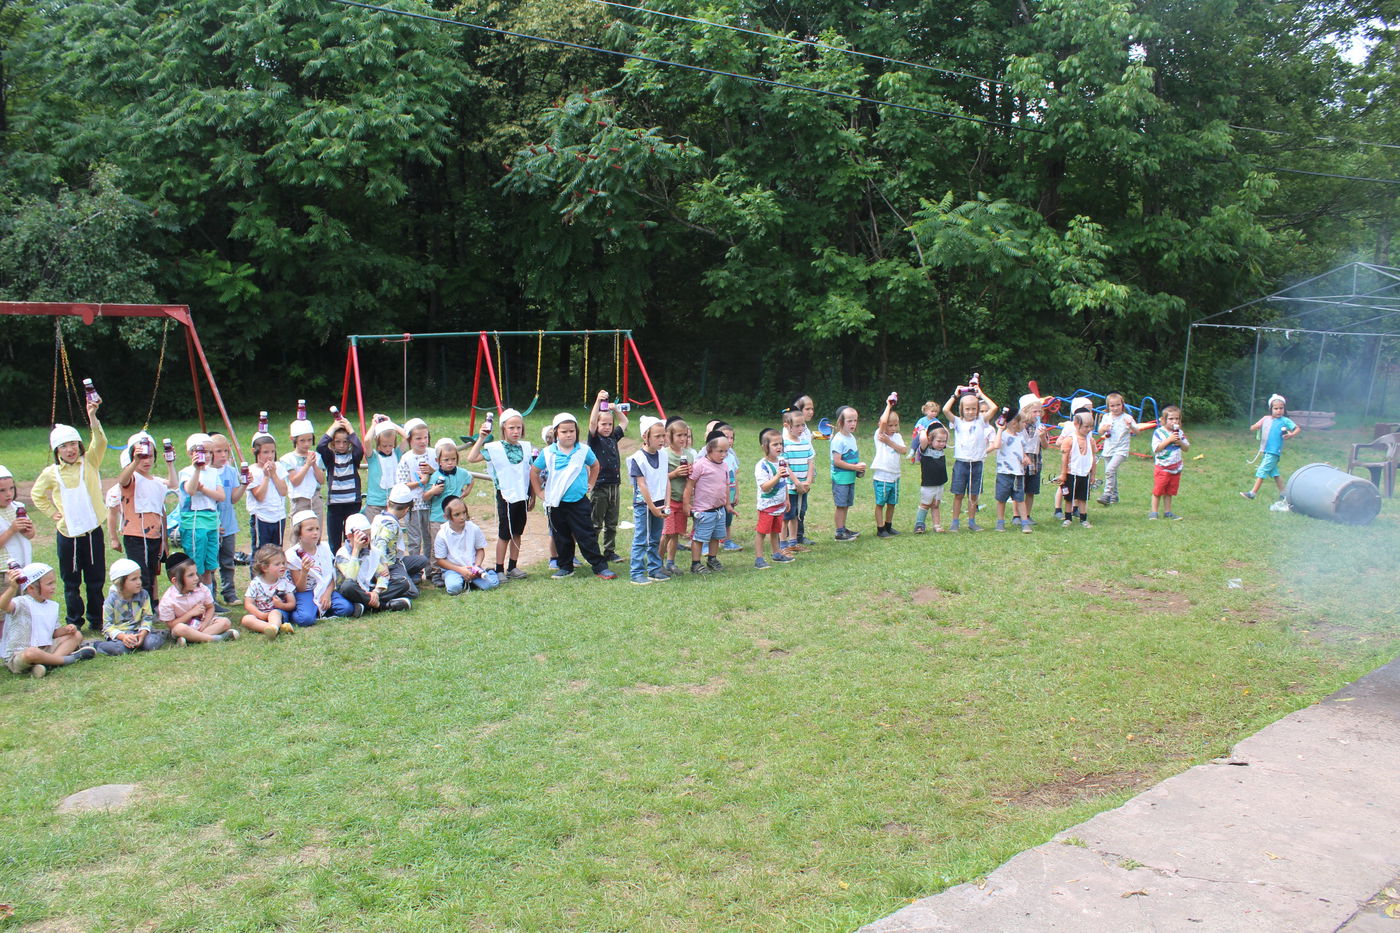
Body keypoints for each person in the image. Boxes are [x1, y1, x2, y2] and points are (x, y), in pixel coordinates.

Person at [32, 398, 107, 633]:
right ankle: (74, 620)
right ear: (57, 451)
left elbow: (101, 440)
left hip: (92, 530)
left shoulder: (91, 462)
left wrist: (93, 416)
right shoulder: (51, 473)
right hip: (68, 534)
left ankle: (97, 619)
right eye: (64, 446)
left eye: (74, 444)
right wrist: (53, 513)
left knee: (95, 581)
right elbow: (37, 494)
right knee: (71, 582)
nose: (70, 449)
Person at [530, 413, 617, 581]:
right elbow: (534, 471)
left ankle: (600, 566)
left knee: (586, 535)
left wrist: (591, 483)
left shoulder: (584, 450)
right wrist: (539, 492)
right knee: (561, 537)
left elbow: (595, 465)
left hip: (579, 503)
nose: (568, 434)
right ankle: (565, 566)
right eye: (564, 432)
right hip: (556, 503)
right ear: (556, 433)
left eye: (572, 431)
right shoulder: (548, 452)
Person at [466, 408, 534, 580]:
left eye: (519, 427)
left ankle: (513, 566)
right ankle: (499, 569)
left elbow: (530, 472)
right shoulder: (494, 448)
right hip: (506, 495)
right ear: (503, 428)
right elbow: (471, 458)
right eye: (511, 428)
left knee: (517, 532)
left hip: (522, 495)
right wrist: (481, 438)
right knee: (505, 534)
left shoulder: (526, 448)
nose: (515, 431)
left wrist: (532, 494)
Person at [1, 563, 97, 677]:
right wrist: (12, 587)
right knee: (31, 653)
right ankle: (68, 659)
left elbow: (53, 633)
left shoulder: (52, 606)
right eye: (49, 584)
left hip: (45, 649)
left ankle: (47, 664)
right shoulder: (21, 603)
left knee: (77, 635)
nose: (53, 587)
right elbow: (3, 605)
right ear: (31, 588)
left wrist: (66, 630)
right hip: (20, 655)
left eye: (54, 583)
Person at [286, 509, 357, 624]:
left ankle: (319, 610)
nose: (315, 533)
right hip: (307, 592)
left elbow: (331, 576)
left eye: (317, 529)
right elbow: (300, 589)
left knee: (346, 608)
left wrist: (327, 594)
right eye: (310, 530)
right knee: (306, 619)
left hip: (325, 589)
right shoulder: (293, 555)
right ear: (298, 533)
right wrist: (304, 572)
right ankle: (295, 614)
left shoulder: (324, 547)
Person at [944, 384, 998, 531]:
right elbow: (945, 410)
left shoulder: (981, 421)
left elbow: (994, 408)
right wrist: (955, 396)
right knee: (958, 494)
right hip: (961, 463)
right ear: (962, 409)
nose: (970, 412)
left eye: (974, 408)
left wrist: (981, 394)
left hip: (977, 464)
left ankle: (972, 522)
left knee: (973, 495)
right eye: (967, 409)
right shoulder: (957, 422)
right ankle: (955, 522)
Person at [334, 512, 410, 613]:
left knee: (403, 583)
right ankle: (382, 606)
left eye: (369, 535)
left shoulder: (373, 551)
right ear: (350, 536)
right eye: (364, 537)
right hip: (353, 590)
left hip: (369, 588)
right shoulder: (342, 554)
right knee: (348, 587)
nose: (368, 540)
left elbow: (383, 574)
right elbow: (350, 578)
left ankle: (364, 604)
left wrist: (376, 591)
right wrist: (356, 551)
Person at [626, 416, 671, 585]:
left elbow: (666, 479)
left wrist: (666, 502)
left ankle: (654, 569)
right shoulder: (637, 458)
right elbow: (642, 485)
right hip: (644, 505)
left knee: (655, 537)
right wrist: (652, 507)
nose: (662, 440)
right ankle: (637, 572)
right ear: (645, 436)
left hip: (660, 503)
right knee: (641, 539)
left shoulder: (663, 456)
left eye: (663, 435)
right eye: (657, 436)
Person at [178, 433, 225, 590]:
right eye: (203, 451)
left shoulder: (213, 472)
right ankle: (194, 597)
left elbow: (221, 496)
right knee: (196, 564)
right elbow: (190, 490)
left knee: (210, 564)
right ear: (192, 453)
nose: (207, 456)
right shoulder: (187, 472)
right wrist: (197, 470)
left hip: (211, 520)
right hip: (194, 521)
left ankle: (209, 598)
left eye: (209, 452)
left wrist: (203, 489)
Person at [683, 431, 735, 574]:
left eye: (726, 451)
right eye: (720, 451)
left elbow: (725, 485)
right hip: (704, 511)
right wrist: (686, 504)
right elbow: (689, 485)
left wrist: (728, 504)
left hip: (719, 510)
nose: (723, 454)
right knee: (699, 537)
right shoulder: (700, 465)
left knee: (716, 537)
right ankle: (695, 563)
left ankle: (712, 559)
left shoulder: (724, 465)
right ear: (709, 449)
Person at [92, 557, 168, 654]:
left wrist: (143, 633)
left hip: (139, 631)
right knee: (122, 649)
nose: (139, 582)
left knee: (151, 643)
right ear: (120, 582)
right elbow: (107, 626)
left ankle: (150, 638)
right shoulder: (111, 601)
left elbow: (147, 617)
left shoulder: (143, 595)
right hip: (120, 635)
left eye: (139, 578)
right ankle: (99, 645)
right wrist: (123, 637)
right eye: (134, 579)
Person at [158, 553, 236, 645]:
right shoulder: (168, 600)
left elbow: (210, 607)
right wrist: (191, 613)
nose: (196, 578)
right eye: (191, 575)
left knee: (225, 622)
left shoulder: (201, 589)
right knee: (179, 629)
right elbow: (171, 624)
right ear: (175, 581)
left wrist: (205, 623)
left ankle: (192, 639)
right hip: (184, 628)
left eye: (196, 573)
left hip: (202, 624)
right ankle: (215, 638)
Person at [587, 390, 629, 563]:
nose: (606, 427)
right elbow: (591, 421)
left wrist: (616, 409)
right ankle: (594, 552)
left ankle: (609, 551)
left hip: (614, 487)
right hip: (600, 487)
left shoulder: (613, 437)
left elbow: (624, 421)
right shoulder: (594, 439)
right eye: (603, 424)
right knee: (596, 523)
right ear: (597, 425)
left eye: (609, 424)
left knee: (612, 523)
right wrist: (598, 401)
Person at [373, 483, 432, 603]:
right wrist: (384, 565)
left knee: (422, 560)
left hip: (395, 560)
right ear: (406, 510)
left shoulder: (380, 517)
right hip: (388, 565)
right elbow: (381, 543)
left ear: (388, 503)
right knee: (412, 592)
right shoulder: (390, 524)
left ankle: (405, 577)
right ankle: (390, 588)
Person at [423, 438, 471, 584]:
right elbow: (425, 496)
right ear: (438, 461)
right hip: (437, 516)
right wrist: (433, 491)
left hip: (455, 518)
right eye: (446, 460)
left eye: (453, 459)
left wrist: (466, 492)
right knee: (436, 545)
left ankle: (455, 568)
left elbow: (471, 480)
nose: (450, 462)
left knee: (457, 542)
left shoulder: (462, 473)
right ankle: (436, 572)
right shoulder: (436, 476)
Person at [207, 434, 246, 610]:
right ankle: (211, 595)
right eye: (218, 451)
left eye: (225, 450)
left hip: (229, 526)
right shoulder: (206, 474)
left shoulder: (230, 472)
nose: (223, 455)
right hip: (212, 526)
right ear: (209, 453)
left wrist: (244, 485)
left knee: (227, 561)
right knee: (211, 563)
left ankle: (229, 593)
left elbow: (233, 499)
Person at [433, 496, 500, 594]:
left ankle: (489, 572)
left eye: (464, 512)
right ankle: (465, 581)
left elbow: (480, 550)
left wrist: (476, 567)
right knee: (453, 588)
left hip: (473, 567)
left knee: (491, 585)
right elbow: (440, 560)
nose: (462, 517)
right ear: (447, 517)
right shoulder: (442, 534)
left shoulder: (473, 528)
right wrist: (460, 570)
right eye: (457, 514)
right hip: (453, 569)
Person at [317, 415, 364, 550]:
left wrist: (350, 429)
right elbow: (320, 446)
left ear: (349, 442)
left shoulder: (353, 457)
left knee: (352, 538)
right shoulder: (330, 458)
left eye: (345, 442)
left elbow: (360, 449)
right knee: (334, 541)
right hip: (335, 504)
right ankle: (334, 565)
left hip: (352, 503)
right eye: (337, 442)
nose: (341, 445)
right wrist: (334, 427)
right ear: (333, 443)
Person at [1242, 394, 1300, 501]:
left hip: (1274, 451)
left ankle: (1252, 493)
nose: (1278, 411)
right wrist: (1255, 427)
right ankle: (1284, 493)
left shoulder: (1285, 420)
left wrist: (1291, 434)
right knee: (1275, 473)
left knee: (1262, 470)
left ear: (1284, 409)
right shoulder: (1266, 419)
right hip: (1266, 450)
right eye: (1276, 408)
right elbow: (1253, 427)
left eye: (1281, 408)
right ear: (1271, 409)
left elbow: (1297, 428)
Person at [394, 418, 437, 559]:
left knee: (430, 536)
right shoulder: (406, 458)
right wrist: (420, 482)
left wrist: (432, 472)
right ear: (410, 440)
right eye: (418, 438)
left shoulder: (434, 454)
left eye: (425, 437)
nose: (423, 441)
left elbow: (443, 474)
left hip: (432, 502)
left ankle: (432, 568)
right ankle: (416, 569)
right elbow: (401, 484)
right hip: (413, 505)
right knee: (414, 539)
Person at [754, 431, 795, 568]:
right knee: (762, 531)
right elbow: (765, 487)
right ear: (765, 446)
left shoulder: (782, 462)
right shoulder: (762, 466)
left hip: (780, 505)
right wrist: (777, 476)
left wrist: (787, 499)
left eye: (781, 444)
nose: (779, 447)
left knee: (775, 530)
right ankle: (759, 559)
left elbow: (785, 484)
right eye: (775, 444)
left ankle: (776, 553)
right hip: (767, 506)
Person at [661, 419, 696, 576]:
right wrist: (674, 474)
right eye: (679, 435)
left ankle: (670, 562)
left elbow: (692, 478)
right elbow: (659, 478)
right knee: (667, 533)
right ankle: (657, 563)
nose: (683, 439)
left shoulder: (689, 454)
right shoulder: (664, 454)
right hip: (667, 500)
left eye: (686, 435)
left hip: (682, 500)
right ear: (669, 436)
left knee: (676, 534)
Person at [241, 543, 295, 639]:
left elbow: (292, 604)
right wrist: (260, 615)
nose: (282, 566)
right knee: (246, 619)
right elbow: (248, 604)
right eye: (277, 564)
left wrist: (281, 606)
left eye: (283, 563)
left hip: (278, 614)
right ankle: (275, 629)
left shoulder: (284, 582)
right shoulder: (255, 583)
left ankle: (274, 627)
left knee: (274, 613)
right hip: (260, 615)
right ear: (265, 567)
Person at [871, 395, 907, 537]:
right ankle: (880, 529)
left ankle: (888, 525)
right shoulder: (879, 435)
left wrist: (890, 442)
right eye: (889, 425)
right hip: (882, 476)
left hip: (895, 475)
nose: (892, 428)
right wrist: (889, 405)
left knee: (892, 503)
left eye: (895, 425)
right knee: (881, 503)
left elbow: (903, 450)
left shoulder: (896, 437)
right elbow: (883, 421)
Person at [781, 403, 815, 551]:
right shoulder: (785, 445)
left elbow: (810, 461)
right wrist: (796, 483)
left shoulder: (805, 443)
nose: (801, 429)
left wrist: (807, 481)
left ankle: (793, 542)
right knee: (786, 516)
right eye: (797, 426)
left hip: (803, 487)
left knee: (797, 515)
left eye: (803, 426)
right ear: (787, 425)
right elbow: (785, 466)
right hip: (790, 488)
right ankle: (783, 544)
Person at [246, 435, 289, 553]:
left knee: (277, 551)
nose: (270, 455)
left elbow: (283, 491)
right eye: (265, 452)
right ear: (255, 452)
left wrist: (274, 474)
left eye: (272, 451)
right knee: (260, 552)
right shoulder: (252, 471)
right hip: (261, 516)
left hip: (279, 516)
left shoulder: (279, 467)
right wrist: (266, 476)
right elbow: (259, 496)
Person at [993, 411, 1034, 533]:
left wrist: (1026, 457)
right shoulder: (1003, 435)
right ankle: (1000, 522)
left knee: (1020, 499)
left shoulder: (1021, 437)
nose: (1025, 424)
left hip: (1018, 474)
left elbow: (1023, 452)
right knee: (1001, 499)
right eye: (1023, 422)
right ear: (1015, 423)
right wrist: (1000, 429)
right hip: (1004, 473)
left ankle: (1024, 522)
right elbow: (997, 445)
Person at [1096, 393, 1140, 507]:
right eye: (1112, 406)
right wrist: (1103, 428)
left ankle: (1106, 494)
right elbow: (1099, 431)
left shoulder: (1127, 418)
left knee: (1109, 470)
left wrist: (1131, 426)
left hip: (1121, 450)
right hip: (1108, 449)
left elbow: (1137, 431)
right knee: (1112, 473)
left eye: (1118, 405)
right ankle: (1114, 496)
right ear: (1108, 406)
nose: (1115, 408)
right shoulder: (1106, 417)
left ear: (1122, 405)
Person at [828, 406, 864, 540]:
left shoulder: (851, 437)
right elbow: (837, 461)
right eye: (849, 421)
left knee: (846, 504)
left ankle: (843, 528)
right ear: (840, 422)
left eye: (855, 420)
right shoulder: (838, 440)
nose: (853, 424)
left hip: (849, 477)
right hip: (840, 478)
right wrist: (855, 468)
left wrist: (859, 468)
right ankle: (839, 532)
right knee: (840, 505)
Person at [787, 394, 818, 547]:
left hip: (804, 477)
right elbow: (785, 463)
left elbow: (809, 456)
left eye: (812, 408)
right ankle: (788, 539)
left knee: (801, 508)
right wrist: (797, 482)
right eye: (807, 408)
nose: (811, 412)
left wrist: (808, 479)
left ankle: (797, 536)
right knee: (790, 511)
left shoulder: (805, 430)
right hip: (792, 481)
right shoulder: (787, 435)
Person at [1150, 405, 1190, 520]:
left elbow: (1186, 448)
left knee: (1169, 492)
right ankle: (1154, 512)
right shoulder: (1159, 432)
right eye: (1171, 419)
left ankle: (1168, 512)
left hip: (1175, 468)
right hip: (1162, 467)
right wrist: (1169, 440)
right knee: (1158, 490)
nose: (1174, 421)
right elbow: (1156, 449)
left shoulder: (1180, 433)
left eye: (1177, 419)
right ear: (1164, 420)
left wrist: (1180, 442)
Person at [281, 418, 326, 520]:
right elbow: (295, 481)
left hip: (315, 498)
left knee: (316, 529)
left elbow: (322, 480)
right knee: (298, 531)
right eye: (302, 440)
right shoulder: (287, 459)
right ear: (293, 439)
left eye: (309, 440)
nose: (306, 444)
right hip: (298, 499)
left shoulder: (317, 456)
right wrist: (307, 465)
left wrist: (314, 465)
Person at [1057, 411, 1096, 527]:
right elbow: (1064, 458)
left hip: (1084, 474)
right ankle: (1068, 517)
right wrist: (1063, 474)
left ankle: (1084, 518)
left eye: (1091, 427)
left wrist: (1093, 474)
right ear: (1076, 424)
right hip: (1071, 473)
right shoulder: (1069, 440)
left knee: (1083, 497)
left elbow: (1093, 458)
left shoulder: (1091, 441)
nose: (1088, 429)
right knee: (1069, 497)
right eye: (1086, 427)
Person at [364, 417, 404, 523]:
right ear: (378, 444)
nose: (387, 448)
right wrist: (374, 425)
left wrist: (390, 423)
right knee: (374, 532)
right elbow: (367, 440)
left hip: (392, 502)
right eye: (384, 445)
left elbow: (407, 437)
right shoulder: (373, 457)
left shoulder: (397, 454)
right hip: (375, 503)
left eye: (390, 445)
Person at [1017, 394, 1048, 525]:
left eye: (1039, 411)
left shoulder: (1041, 427)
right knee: (1018, 490)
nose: (1038, 414)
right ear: (1025, 411)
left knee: (1031, 491)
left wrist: (1042, 437)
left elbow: (1046, 446)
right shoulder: (1018, 426)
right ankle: (1016, 516)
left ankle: (1027, 515)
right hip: (1020, 462)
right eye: (1034, 411)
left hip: (1035, 462)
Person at [913, 424, 950, 533]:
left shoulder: (941, 449)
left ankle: (937, 525)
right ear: (930, 440)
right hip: (928, 484)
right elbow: (923, 439)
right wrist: (923, 429)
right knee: (925, 504)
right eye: (939, 441)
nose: (942, 444)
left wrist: (940, 425)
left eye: (944, 441)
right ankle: (919, 525)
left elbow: (946, 434)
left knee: (935, 505)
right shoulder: (925, 449)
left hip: (939, 483)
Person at [0, 465, 36, 569]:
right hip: (3, 569)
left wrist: (28, 529)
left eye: (11, 488)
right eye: (2, 490)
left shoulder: (17, 507)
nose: (9, 494)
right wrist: (11, 530)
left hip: (21, 563)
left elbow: (30, 535)